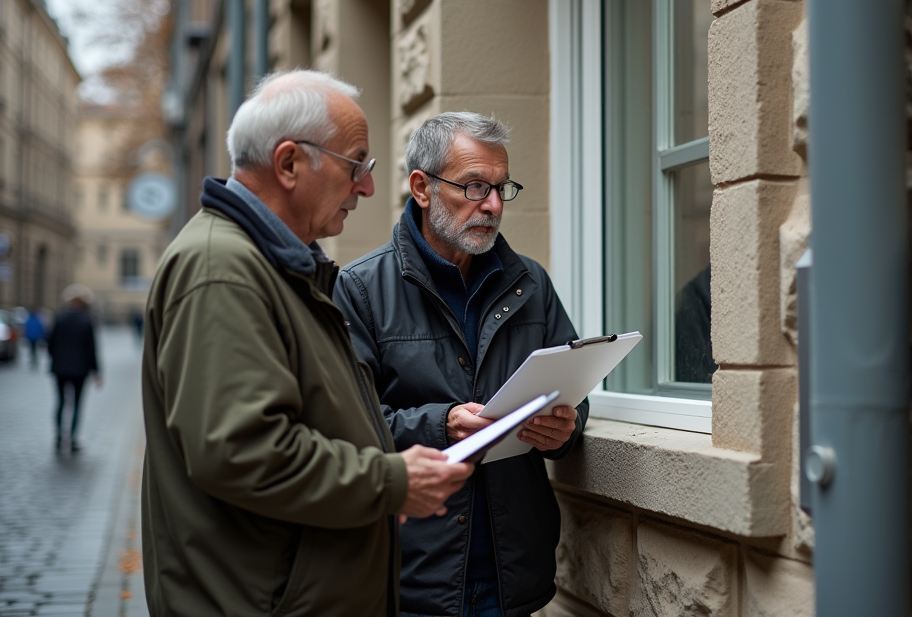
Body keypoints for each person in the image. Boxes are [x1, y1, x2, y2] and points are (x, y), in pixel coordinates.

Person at [140, 71, 473, 617]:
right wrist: (389, 483)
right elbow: (242, 452)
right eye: (355, 165)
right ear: (290, 163)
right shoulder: (220, 269)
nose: (366, 188)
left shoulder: (278, 266)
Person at [334, 112, 586, 617]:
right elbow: (346, 431)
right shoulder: (361, 289)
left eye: (500, 188)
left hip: (512, 577)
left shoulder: (530, 283)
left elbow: (573, 399)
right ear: (422, 188)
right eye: (474, 187)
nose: (492, 205)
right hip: (411, 578)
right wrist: (441, 424)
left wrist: (567, 429)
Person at [47, 284, 100, 453]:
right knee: (77, 404)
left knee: (61, 402)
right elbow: (92, 349)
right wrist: (96, 371)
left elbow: (50, 344)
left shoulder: (59, 318)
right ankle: (73, 439)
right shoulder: (86, 321)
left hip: (60, 368)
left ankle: (58, 437)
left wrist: (56, 359)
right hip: (80, 369)